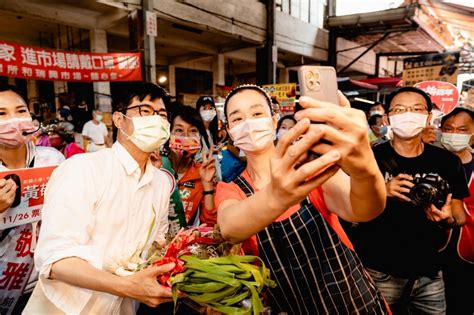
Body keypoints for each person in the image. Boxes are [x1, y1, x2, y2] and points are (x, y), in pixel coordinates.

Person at [215, 85, 389, 314]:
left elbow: (364, 209)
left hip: (354, 301)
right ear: (229, 130)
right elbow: (230, 227)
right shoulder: (231, 189)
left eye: (257, 114)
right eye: (237, 119)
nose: (248, 123)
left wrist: (365, 168)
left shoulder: (310, 166)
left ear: (274, 119)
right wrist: (278, 195)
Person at [23, 82, 176, 314]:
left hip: (121, 308)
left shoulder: (162, 183)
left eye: (162, 115)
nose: (156, 120)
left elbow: (158, 244)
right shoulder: (83, 169)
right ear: (118, 119)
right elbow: (55, 258)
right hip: (65, 307)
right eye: (145, 111)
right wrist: (127, 286)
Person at [348, 87, 469, 314]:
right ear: (388, 118)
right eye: (400, 109)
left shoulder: (448, 161)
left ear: (428, 117)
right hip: (377, 271)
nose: (408, 114)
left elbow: (459, 215)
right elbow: (347, 207)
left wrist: (446, 219)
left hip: (429, 273)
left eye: (416, 109)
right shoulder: (368, 158)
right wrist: (380, 190)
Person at [0, 84, 64, 314]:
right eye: (1, 114)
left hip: (50, 280)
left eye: (20, 110)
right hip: (7, 286)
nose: (13, 121)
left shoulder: (53, 160)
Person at [158, 104, 217, 237]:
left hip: (185, 248)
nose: (185, 136)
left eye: (193, 131)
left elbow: (210, 224)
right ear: (168, 134)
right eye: (179, 130)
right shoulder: (157, 166)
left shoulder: (203, 173)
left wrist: (207, 185)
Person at [438, 106, 474, 315]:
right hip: (433, 248)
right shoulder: (430, 160)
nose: (454, 134)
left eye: (462, 130)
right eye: (449, 128)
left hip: (468, 250)